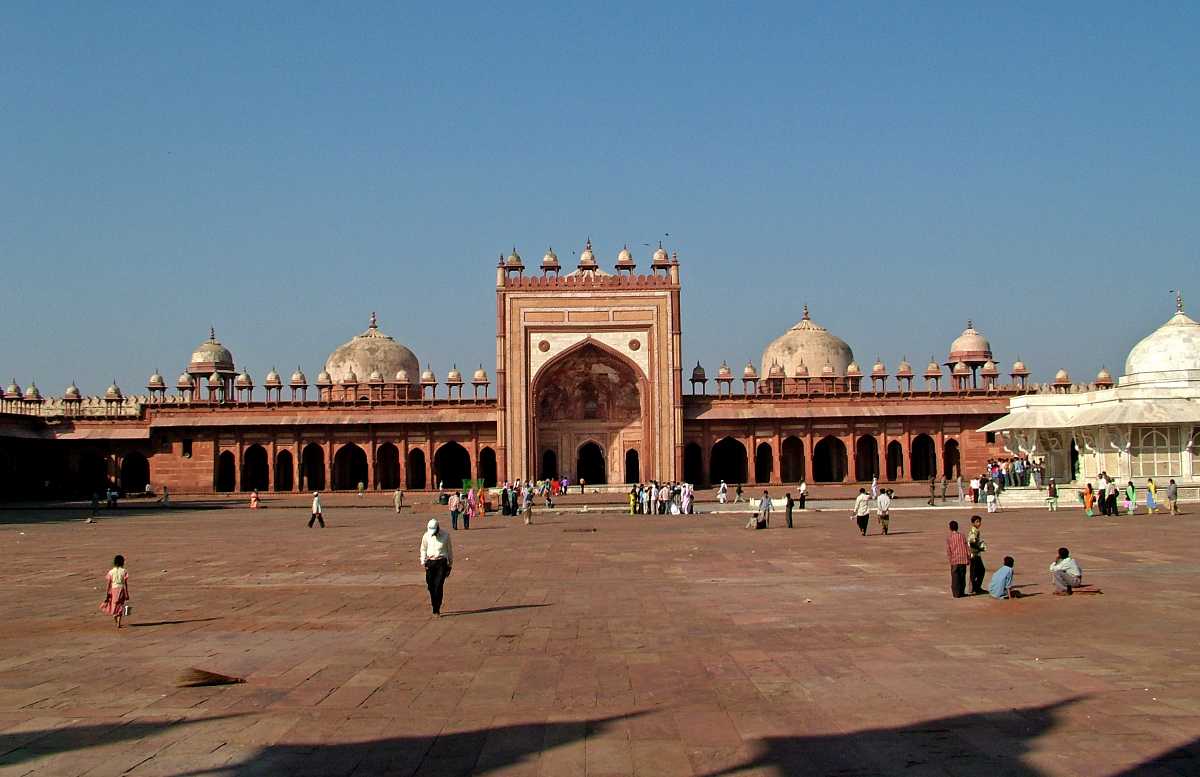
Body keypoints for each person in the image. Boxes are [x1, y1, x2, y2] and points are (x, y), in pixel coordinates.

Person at [419, 519, 453, 616]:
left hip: (441, 562)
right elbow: (423, 549)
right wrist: (423, 561)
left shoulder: (445, 536)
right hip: (430, 562)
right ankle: (434, 602)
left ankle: (436, 607)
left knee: (438, 586)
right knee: (431, 586)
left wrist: (450, 565)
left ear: (438, 528)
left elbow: (449, 551)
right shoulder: (426, 536)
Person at [99, 554, 130, 629]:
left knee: (114, 605)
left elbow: (109, 584)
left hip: (113, 590)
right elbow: (125, 584)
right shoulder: (124, 571)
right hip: (121, 589)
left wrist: (107, 593)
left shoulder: (111, 572)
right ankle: (119, 622)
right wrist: (127, 593)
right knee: (121, 605)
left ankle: (115, 616)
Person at [946, 521, 970, 598]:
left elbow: (949, 550)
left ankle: (956, 593)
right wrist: (968, 558)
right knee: (962, 577)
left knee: (955, 577)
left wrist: (950, 560)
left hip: (955, 560)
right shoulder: (962, 536)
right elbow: (967, 547)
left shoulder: (949, 538)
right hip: (963, 559)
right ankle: (961, 592)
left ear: (950, 528)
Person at [967, 515, 987, 595]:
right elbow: (972, 542)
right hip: (974, 554)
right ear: (973, 523)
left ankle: (975, 588)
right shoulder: (974, 531)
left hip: (975, 554)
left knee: (977, 571)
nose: (979, 523)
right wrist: (980, 548)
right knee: (979, 571)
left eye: (979, 521)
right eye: (977, 522)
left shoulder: (975, 530)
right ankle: (975, 588)